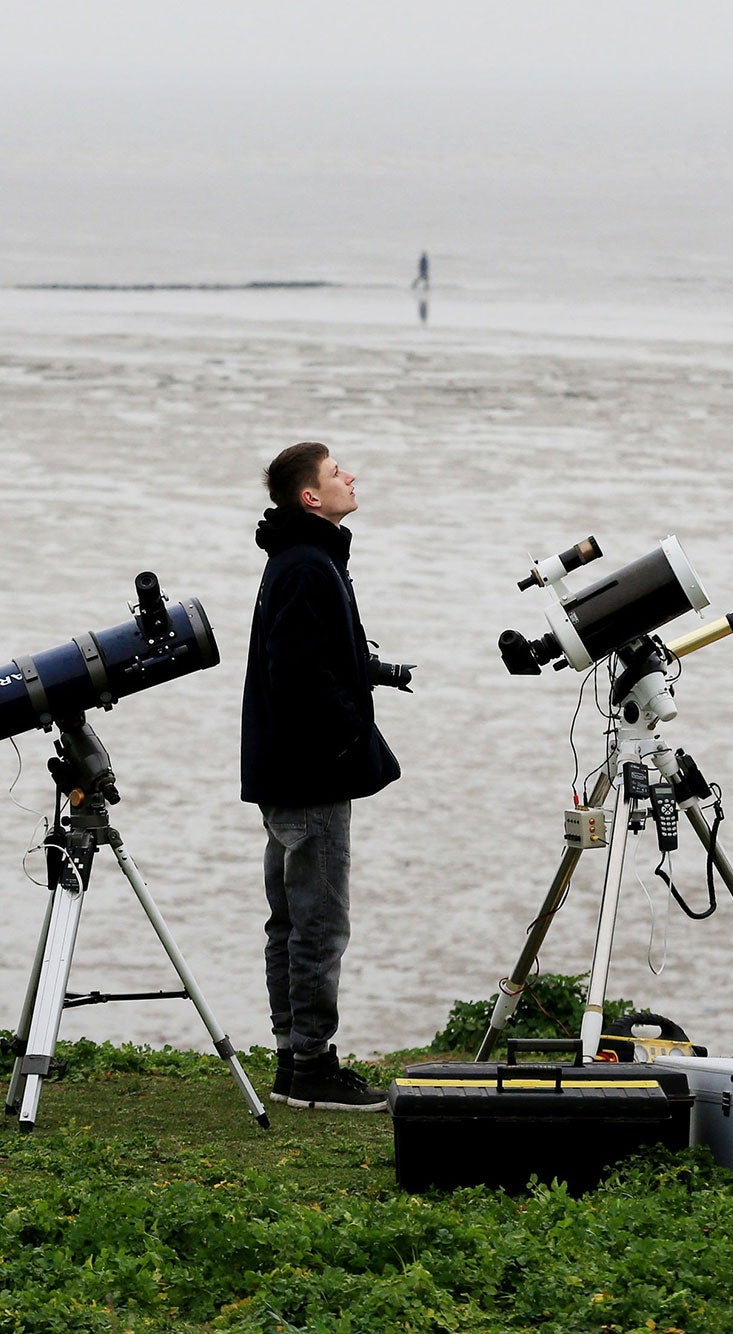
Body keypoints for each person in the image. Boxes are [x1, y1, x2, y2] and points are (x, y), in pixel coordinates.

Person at [241, 442, 413, 1111]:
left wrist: (373, 674)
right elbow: (298, 674)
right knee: (318, 925)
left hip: (283, 769)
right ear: (310, 497)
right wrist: (348, 736)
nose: (350, 476)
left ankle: (292, 1057)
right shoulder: (309, 565)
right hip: (311, 775)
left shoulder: (299, 559)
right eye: (336, 471)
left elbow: (315, 653)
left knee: (289, 922)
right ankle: (311, 1065)